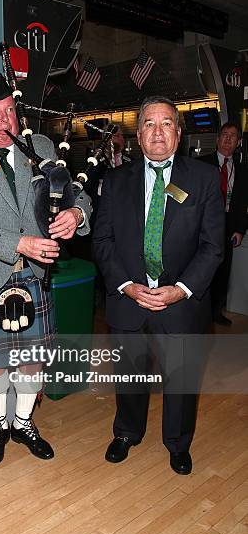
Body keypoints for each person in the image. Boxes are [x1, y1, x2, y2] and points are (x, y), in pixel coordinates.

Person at [0, 74, 91, 467]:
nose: (5, 120)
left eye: (10, 110)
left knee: (33, 357)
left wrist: (76, 214)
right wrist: (19, 243)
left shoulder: (39, 147)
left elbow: (79, 195)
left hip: (35, 275)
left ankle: (23, 421)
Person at [93, 95, 224, 475]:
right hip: (129, 300)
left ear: (179, 134)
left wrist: (181, 288)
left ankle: (178, 443)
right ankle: (127, 433)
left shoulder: (201, 179)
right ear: (138, 137)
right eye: (149, 123)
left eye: (166, 123)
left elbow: (213, 246)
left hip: (181, 302)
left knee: (182, 379)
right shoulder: (116, 181)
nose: (158, 132)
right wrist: (127, 286)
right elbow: (102, 242)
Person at [199, 122, 248, 325]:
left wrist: (239, 229)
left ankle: (216, 311)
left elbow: (244, 202)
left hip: (229, 226)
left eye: (233, 136)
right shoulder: (201, 163)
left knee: (223, 270)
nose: (228, 139)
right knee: (202, 267)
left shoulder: (243, 170)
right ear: (218, 139)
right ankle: (199, 310)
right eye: (225, 135)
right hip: (203, 224)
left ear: (238, 142)